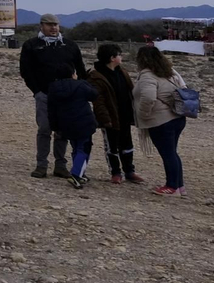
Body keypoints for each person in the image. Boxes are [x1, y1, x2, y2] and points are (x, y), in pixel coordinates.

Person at [20, 13, 86, 178]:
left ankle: (60, 165)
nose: (53, 28)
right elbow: (26, 71)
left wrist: (79, 89)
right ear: (41, 25)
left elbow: (81, 68)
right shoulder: (31, 45)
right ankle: (41, 165)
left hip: (66, 96)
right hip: (44, 94)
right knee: (44, 129)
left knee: (62, 130)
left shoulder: (69, 45)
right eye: (49, 25)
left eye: (56, 25)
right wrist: (37, 92)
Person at [133, 45, 190, 196]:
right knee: (172, 153)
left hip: (160, 120)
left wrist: (143, 114)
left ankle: (172, 187)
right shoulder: (170, 73)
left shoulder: (147, 76)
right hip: (177, 117)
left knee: (168, 154)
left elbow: (148, 97)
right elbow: (184, 87)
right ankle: (179, 186)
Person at [87, 44, 142, 184]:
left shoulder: (122, 72)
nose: (121, 57)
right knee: (112, 146)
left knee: (127, 144)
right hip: (110, 118)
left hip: (125, 115)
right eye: (119, 54)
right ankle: (115, 172)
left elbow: (131, 92)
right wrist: (105, 119)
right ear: (112, 58)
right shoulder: (96, 76)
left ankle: (130, 171)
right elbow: (98, 101)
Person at [44, 66, 97, 188]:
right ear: (73, 74)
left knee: (76, 148)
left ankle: (80, 172)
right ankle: (76, 175)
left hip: (66, 124)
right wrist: (87, 83)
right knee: (84, 148)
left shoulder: (53, 88)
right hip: (83, 122)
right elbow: (94, 94)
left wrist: (55, 126)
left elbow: (51, 110)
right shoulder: (80, 85)